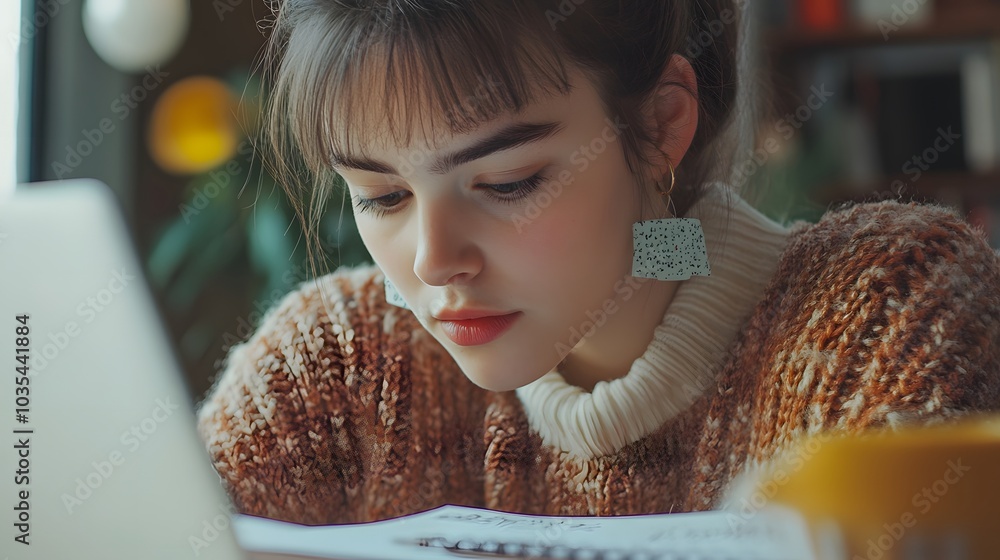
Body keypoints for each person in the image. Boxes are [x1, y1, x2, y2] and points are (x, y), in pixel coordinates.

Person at [195, 0, 1000, 526]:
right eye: (381, 196)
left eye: (508, 182)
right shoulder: (338, 365)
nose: (436, 262)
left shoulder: (889, 317)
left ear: (660, 126)